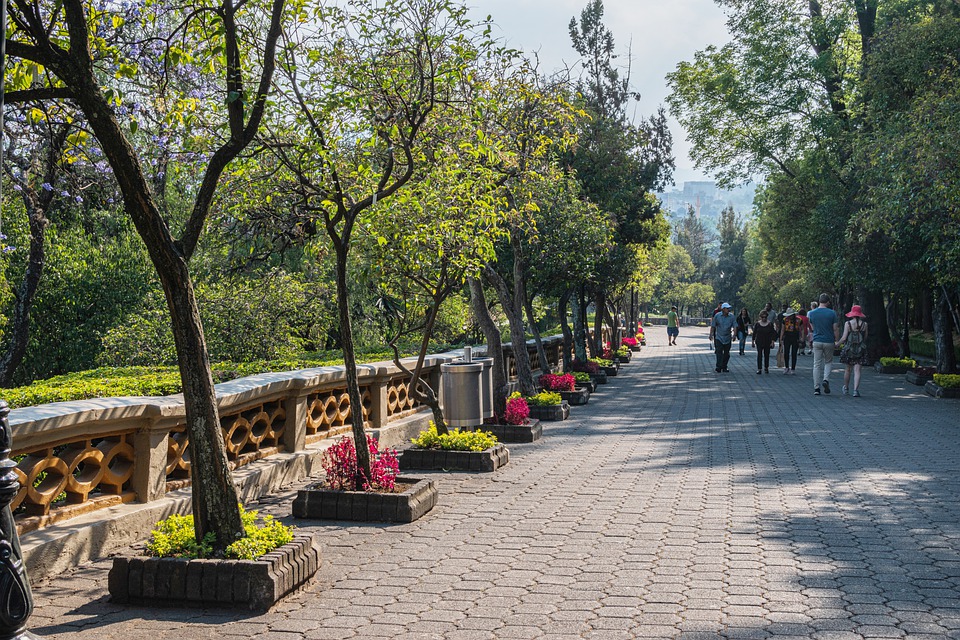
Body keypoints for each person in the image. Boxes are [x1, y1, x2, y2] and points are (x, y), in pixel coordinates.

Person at [808, 293, 840, 395]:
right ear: (828, 302)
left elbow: (812, 328)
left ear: (819, 301)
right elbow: (835, 328)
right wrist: (837, 341)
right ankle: (826, 379)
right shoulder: (832, 313)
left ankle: (816, 388)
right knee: (828, 362)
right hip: (829, 340)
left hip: (817, 340)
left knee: (816, 364)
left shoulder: (812, 313)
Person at [837, 305, 868, 397]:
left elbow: (844, 338)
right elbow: (865, 337)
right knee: (857, 370)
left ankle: (846, 388)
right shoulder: (865, 325)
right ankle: (855, 390)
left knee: (848, 370)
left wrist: (837, 344)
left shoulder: (848, 324)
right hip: (861, 349)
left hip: (849, 349)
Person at [710, 302, 737, 372]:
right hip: (719, 337)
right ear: (723, 309)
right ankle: (718, 366)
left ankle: (724, 366)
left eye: (729, 308)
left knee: (726, 353)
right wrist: (711, 334)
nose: (728, 310)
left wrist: (734, 335)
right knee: (719, 352)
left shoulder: (731, 316)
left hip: (727, 337)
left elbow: (735, 326)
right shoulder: (717, 316)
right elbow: (713, 325)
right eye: (727, 308)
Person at [779, 308, 803, 375]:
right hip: (787, 337)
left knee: (794, 353)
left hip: (795, 337)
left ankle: (793, 368)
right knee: (786, 352)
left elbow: (802, 329)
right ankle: (786, 367)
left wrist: (802, 337)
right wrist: (780, 338)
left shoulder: (799, 320)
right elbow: (782, 329)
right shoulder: (785, 320)